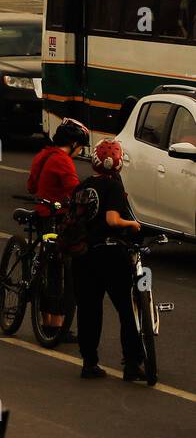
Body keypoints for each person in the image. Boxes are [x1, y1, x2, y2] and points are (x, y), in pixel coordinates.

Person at [71, 138, 147, 382]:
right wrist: (132, 224)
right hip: (111, 254)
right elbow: (113, 220)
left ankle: (89, 362)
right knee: (126, 309)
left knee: (89, 309)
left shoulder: (81, 188)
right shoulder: (113, 187)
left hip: (84, 256)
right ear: (117, 164)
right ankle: (132, 364)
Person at [27, 117, 91, 341]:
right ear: (73, 144)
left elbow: (31, 186)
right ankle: (57, 324)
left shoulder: (43, 155)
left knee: (47, 267)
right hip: (57, 219)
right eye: (80, 147)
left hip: (41, 216)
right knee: (60, 271)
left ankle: (46, 319)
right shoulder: (63, 161)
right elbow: (76, 192)